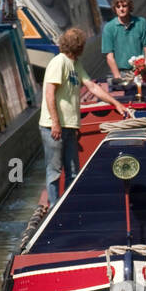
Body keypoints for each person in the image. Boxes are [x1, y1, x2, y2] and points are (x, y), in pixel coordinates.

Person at [41, 28, 133, 205]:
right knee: (54, 171)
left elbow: (92, 87)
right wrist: (55, 122)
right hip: (54, 126)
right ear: (78, 46)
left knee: (73, 171)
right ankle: (54, 207)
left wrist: (116, 104)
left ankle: (68, 206)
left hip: (70, 126)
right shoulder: (58, 62)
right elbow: (49, 93)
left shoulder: (76, 64)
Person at [101, 0, 146, 79]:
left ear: (130, 7)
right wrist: (117, 77)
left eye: (124, 6)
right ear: (115, 9)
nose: (121, 9)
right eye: (118, 7)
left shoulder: (141, 23)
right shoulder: (109, 28)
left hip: (141, 71)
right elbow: (109, 57)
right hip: (121, 73)